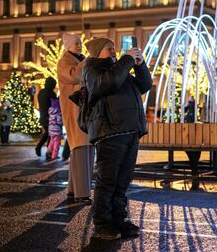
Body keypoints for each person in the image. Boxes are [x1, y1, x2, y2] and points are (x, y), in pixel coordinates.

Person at [83, 37, 152, 240]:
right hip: (110, 133)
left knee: (122, 181)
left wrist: (139, 65)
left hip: (130, 131)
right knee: (107, 181)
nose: (113, 52)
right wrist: (126, 60)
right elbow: (108, 83)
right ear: (97, 53)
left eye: (114, 48)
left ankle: (119, 219)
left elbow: (145, 84)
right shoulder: (93, 70)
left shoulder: (119, 70)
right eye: (108, 49)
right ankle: (103, 223)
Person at [57, 33, 94, 204]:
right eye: (76, 43)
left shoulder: (79, 59)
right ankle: (82, 193)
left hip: (83, 110)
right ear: (68, 46)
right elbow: (74, 76)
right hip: (74, 111)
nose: (80, 46)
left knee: (83, 149)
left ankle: (74, 190)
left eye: (80, 43)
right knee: (81, 148)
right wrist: (86, 62)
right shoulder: (65, 61)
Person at [35, 77, 57, 158]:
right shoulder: (51, 93)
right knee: (49, 134)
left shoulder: (41, 92)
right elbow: (54, 105)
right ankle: (46, 151)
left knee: (48, 133)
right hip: (50, 117)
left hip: (43, 116)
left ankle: (44, 149)